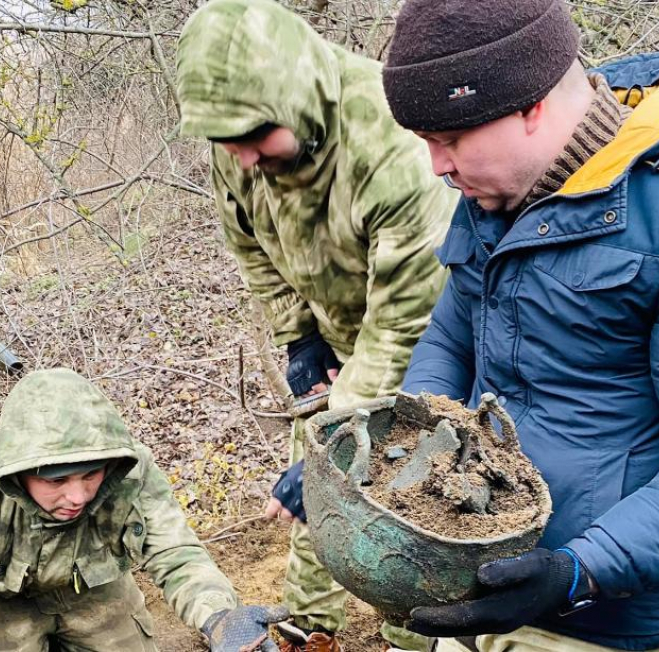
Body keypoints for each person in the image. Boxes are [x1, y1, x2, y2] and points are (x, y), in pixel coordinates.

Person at [378, 0, 659, 651]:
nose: (436, 166)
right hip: (467, 565)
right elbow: (452, 334)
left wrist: (577, 571)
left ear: (532, 106)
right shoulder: (495, 189)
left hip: (597, 616)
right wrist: (397, 459)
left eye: (450, 139)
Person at [176, 0, 457, 649]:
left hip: (424, 345)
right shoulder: (239, 140)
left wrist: (336, 447)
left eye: (254, 138)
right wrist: (295, 334)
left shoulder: (390, 144)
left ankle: (414, 636)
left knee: (412, 491)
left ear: (295, 99)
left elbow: (403, 326)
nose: (242, 159)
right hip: (336, 336)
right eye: (227, 143)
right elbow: (250, 243)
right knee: (316, 501)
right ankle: (309, 629)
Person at [0, 368, 287, 652]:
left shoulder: (129, 473)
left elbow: (175, 552)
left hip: (93, 588)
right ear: (18, 474)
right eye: (57, 481)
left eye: (90, 475)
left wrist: (219, 616)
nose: (78, 497)